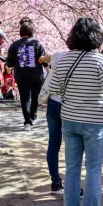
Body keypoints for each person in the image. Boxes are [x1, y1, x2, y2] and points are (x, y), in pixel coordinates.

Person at [39, 17, 103, 206]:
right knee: (93, 169)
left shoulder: (63, 60)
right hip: (93, 122)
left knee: (72, 169)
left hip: (69, 120)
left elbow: (52, 87)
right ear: (96, 36)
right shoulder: (100, 60)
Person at [6, 19, 47, 130]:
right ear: (32, 31)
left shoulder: (14, 45)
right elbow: (44, 60)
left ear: (21, 31)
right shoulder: (37, 43)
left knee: (24, 99)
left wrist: (9, 65)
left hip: (21, 76)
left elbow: (9, 62)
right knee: (35, 97)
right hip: (36, 76)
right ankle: (33, 115)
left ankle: (27, 122)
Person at [38, 49, 68, 193]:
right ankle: (73, 185)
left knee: (53, 143)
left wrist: (43, 60)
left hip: (53, 103)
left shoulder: (59, 55)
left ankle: (55, 182)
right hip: (70, 106)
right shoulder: (86, 57)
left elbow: (44, 58)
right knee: (73, 145)